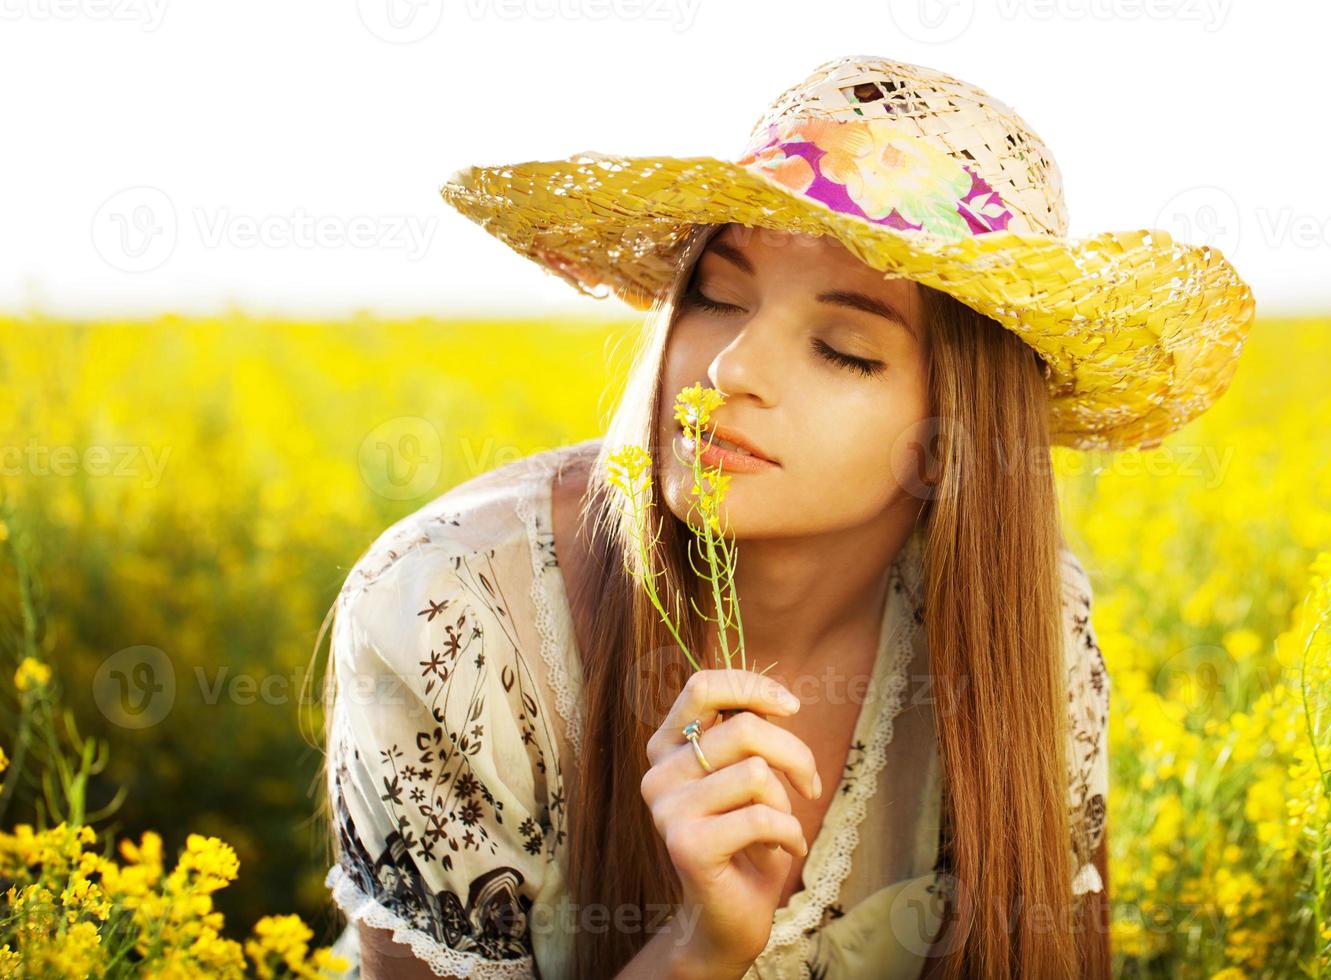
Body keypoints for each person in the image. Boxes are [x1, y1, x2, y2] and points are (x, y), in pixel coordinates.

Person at [316, 55, 1254, 980]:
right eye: (717, 296)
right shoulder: (453, 615)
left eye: (843, 349)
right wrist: (699, 949)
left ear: (947, 439)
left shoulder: (1029, 626)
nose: (727, 373)